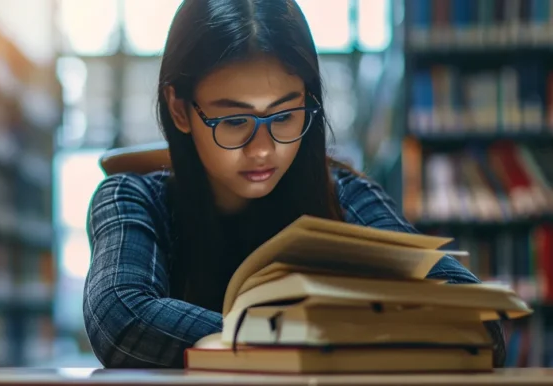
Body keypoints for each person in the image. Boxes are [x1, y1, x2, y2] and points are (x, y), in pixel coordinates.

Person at [82, 0, 506, 369]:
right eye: (234, 121)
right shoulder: (131, 198)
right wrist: (310, 339)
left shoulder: (344, 194)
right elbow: (120, 318)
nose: (264, 150)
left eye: (284, 116)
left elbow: (476, 322)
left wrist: (270, 342)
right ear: (179, 109)